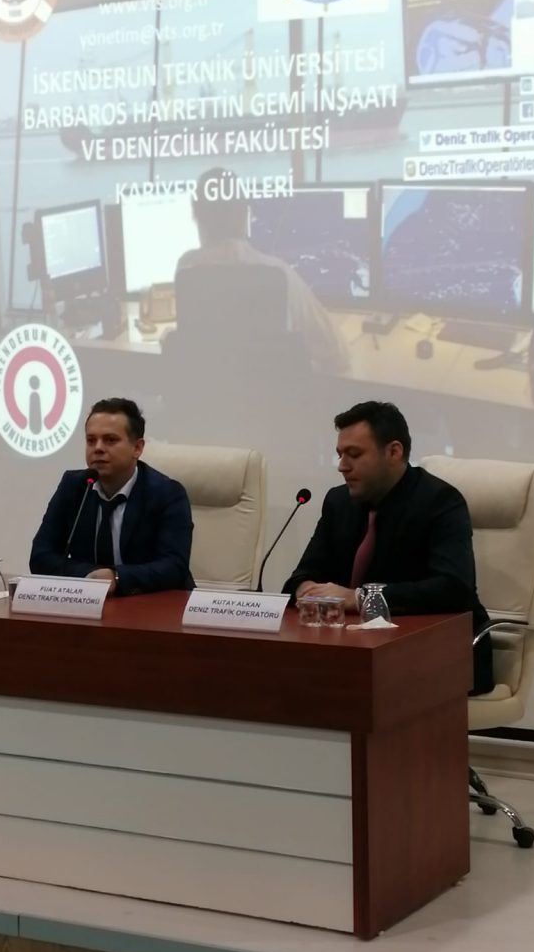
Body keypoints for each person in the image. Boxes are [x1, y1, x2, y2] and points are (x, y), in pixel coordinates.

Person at [283, 401, 494, 695]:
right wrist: (305, 589)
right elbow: (303, 574)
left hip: (435, 656)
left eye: (354, 454)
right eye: (340, 454)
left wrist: (359, 598)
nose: (342, 465)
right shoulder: (338, 502)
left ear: (394, 452)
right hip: (355, 653)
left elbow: (453, 588)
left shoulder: (440, 502)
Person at [175, 167, 349, 375]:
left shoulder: (187, 268)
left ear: (195, 214)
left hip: (210, 394)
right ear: (245, 214)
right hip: (269, 396)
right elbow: (337, 355)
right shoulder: (277, 275)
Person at [30, 398, 194, 595]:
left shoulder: (167, 493)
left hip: (150, 603)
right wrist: (91, 577)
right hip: (89, 603)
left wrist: (118, 578)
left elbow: (174, 567)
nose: (98, 448)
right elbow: (41, 556)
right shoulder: (74, 486)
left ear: (137, 448)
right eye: (91, 440)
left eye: (110, 440)